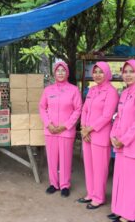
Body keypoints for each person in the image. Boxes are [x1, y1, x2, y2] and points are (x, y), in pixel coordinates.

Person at [78, 62, 119, 210]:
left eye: (101, 72)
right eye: (95, 72)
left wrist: (89, 129)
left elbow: (107, 116)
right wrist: (83, 128)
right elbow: (84, 110)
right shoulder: (92, 90)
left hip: (100, 136)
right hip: (86, 135)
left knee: (99, 168)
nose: (97, 75)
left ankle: (99, 197)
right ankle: (91, 193)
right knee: (88, 166)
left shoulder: (111, 92)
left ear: (107, 73)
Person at [39, 61, 82, 197]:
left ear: (67, 73)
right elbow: (42, 107)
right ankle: (54, 184)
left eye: (63, 70)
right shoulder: (48, 90)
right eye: (58, 70)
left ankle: (65, 185)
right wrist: (48, 124)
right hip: (50, 130)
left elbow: (78, 109)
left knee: (65, 158)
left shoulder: (73, 90)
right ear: (54, 73)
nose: (60, 73)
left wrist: (66, 125)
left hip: (66, 131)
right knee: (52, 158)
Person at [109, 59, 135, 222]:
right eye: (125, 72)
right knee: (121, 179)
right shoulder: (126, 92)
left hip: (134, 145)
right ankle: (119, 209)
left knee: (132, 182)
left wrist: (124, 139)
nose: (128, 75)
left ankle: (129, 215)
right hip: (120, 143)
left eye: (131, 71)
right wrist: (113, 136)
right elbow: (119, 116)